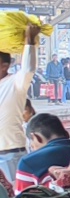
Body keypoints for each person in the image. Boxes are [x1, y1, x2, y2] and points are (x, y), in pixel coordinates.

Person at [0, 24, 40, 183]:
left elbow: (28, 69)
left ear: (4, 66)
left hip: (10, 155)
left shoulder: (15, 83)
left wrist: (29, 41)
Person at [15, 113, 70, 192]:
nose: (33, 149)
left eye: (32, 145)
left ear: (36, 137)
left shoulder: (27, 162)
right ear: (67, 134)